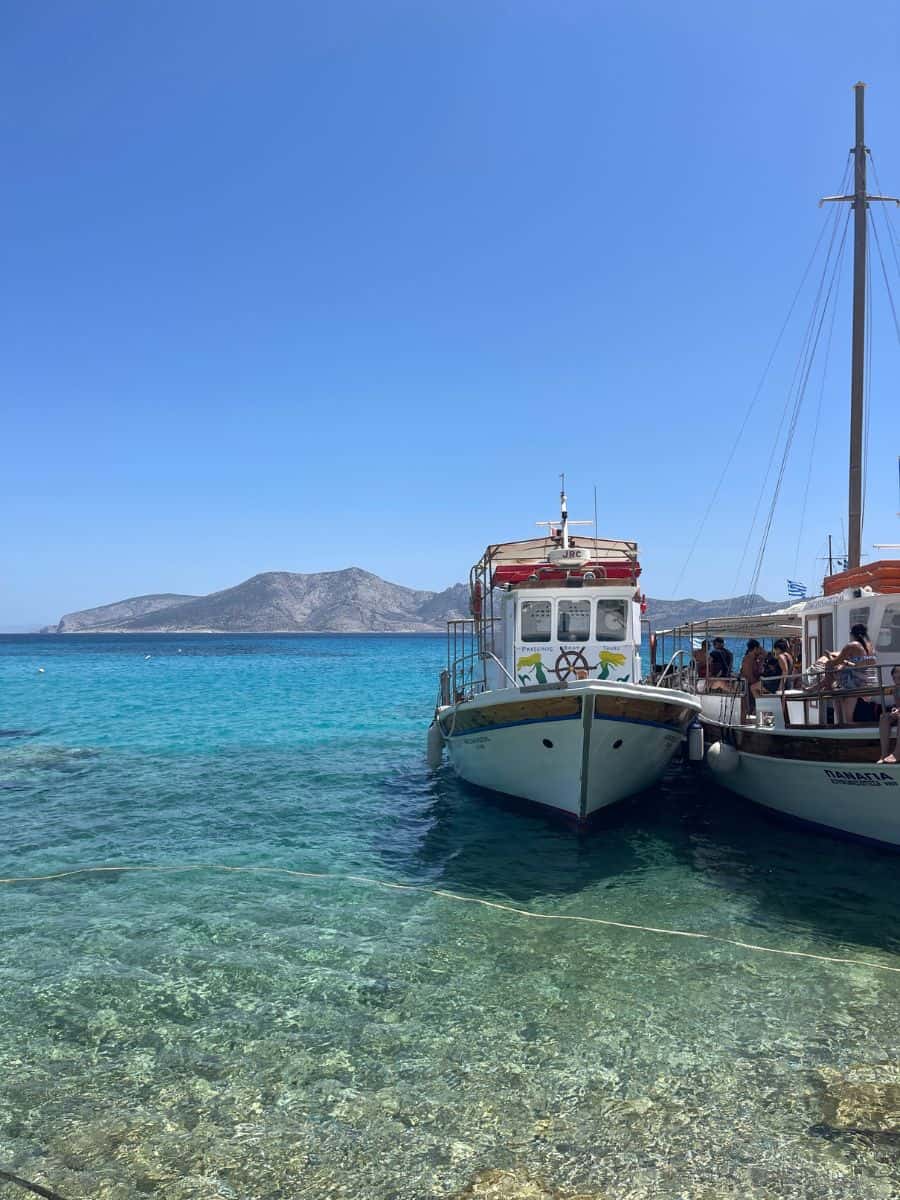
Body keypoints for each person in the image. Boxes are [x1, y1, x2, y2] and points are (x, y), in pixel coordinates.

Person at [830, 623, 879, 725]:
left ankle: (840, 724)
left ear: (852, 634)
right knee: (837, 686)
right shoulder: (870, 647)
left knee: (833, 689)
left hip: (854, 684)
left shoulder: (852, 646)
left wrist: (830, 656)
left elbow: (835, 662)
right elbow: (860, 664)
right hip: (868, 682)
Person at [877, 664, 900, 763]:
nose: (896, 679)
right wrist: (895, 710)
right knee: (884, 717)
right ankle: (884, 754)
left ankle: (897, 754)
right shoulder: (896, 689)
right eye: (894, 677)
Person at [740, 639, 766, 711]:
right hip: (749, 685)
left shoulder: (755, 658)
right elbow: (748, 674)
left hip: (752, 684)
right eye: (759, 648)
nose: (761, 650)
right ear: (755, 648)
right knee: (751, 706)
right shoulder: (748, 658)